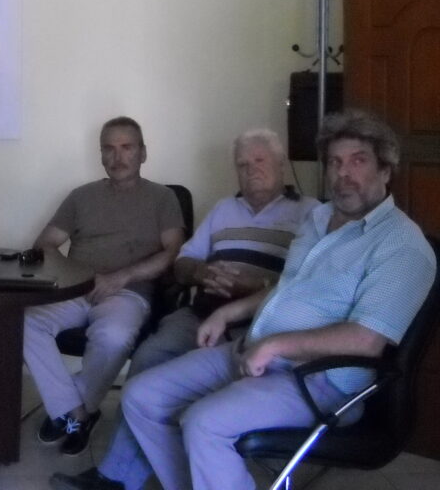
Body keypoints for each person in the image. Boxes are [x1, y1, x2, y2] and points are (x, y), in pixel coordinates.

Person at [116, 110, 435, 490]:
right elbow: (287, 287)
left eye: (358, 161)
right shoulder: (319, 220)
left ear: (385, 170)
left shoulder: (402, 245)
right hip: (254, 351)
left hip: (320, 381)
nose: (343, 173)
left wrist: (275, 345)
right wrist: (228, 313)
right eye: (335, 162)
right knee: (140, 396)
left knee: (204, 423)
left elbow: (365, 341)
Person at [52, 127, 318, 490]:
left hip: (262, 323)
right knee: (148, 358)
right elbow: (182, 261)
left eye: (259, 160)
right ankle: (117, 476)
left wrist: (253, 286)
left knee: (201, 385)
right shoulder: (224, 209)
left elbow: (309, 284)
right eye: (242, 164)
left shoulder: (311, 213)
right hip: (201, 312)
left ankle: (169, 468)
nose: (251, 169)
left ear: (280, 164)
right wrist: (201, 272)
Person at [25, 116, 185, 456]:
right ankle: (78, 412)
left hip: (129, 292)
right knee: (22, 323)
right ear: (100, 155)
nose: (118, 157)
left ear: (143, 153)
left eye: (127, 147)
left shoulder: (163, 198)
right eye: (109, 149)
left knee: (113, 336)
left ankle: (67, 409)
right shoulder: (81, 197)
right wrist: (76, 277)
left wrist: (121, 277)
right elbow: (45, 244)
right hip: (77, 289)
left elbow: (172, 253)